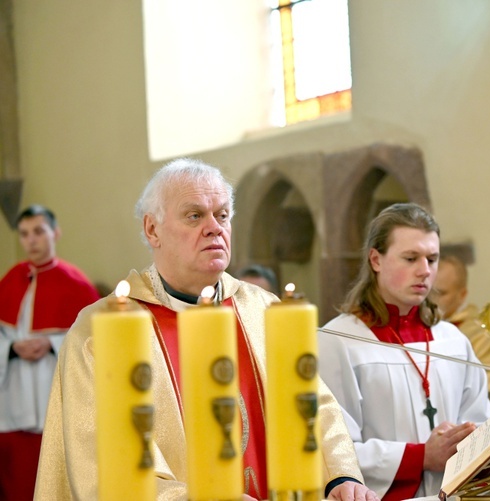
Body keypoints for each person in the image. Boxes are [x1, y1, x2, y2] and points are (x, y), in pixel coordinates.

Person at [35, 158, 378, 501]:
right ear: (152, 229)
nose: (215, 227)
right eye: (195, 216)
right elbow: (103, 458)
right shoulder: (99, 332)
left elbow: (313, 406)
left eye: (223, 215)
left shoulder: (265, 310)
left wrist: (339, 478)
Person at [318, 203, 490, 500]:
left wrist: (469, 439)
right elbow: (333, 451)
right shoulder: (337, 340)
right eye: (410, 258)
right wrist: (421, 456)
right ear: (376, 259)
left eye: (432, 258)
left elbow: (481, 423)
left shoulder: (451, 339)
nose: (425, 271)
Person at [0, 205, 99, 501]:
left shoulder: (76, 283)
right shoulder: (9, 281)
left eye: (39, 232)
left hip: (54, 400)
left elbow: (93, 341)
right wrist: (12, 348)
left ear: (55, 233)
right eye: (25, 234)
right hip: (12, 405)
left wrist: (52, 344)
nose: (31, 241)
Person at [433, 255, 490, 410]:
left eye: (440, 293)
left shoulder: (483, 334)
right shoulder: (419, 327)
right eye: (428, 291)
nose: (431, 299)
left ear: (462, 295)